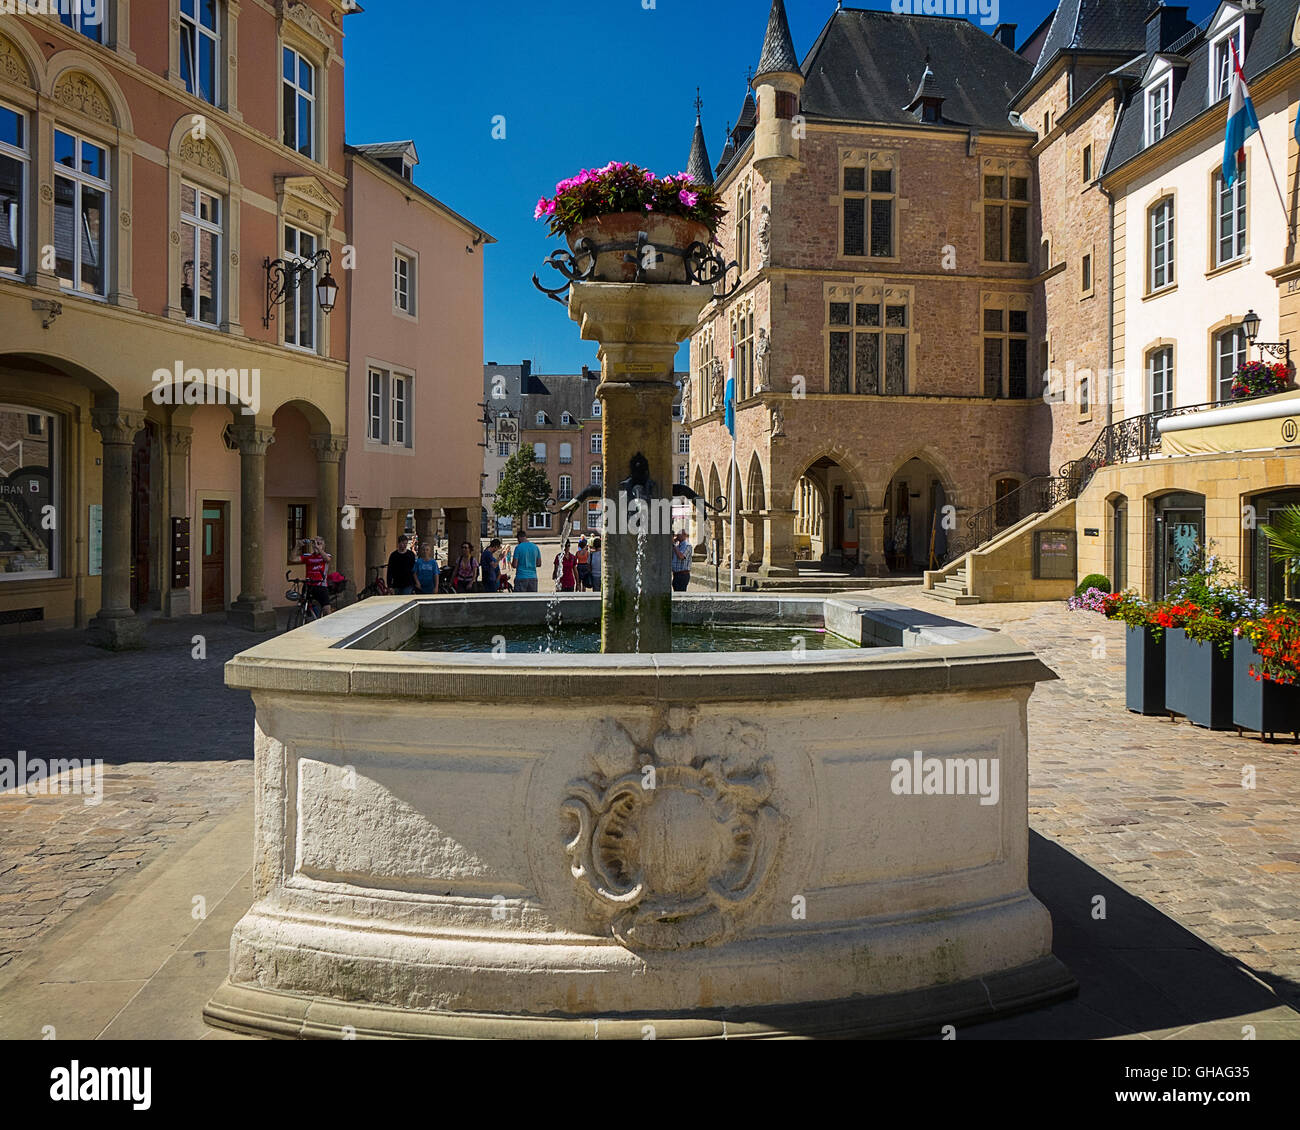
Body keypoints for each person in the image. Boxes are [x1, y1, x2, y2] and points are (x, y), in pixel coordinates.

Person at [296, 536, 333, 613]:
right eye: (315, 543)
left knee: (327, 610)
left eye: (319, 543)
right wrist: (297, 546)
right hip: (308, 585)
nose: (316, 545)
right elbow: (292, 559)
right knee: (303, 606)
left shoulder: (326, 555)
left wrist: (319, 548)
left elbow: (327, 560)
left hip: (321, 585)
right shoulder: (308, 556)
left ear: (323, 546)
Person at [671, 529, 693, 593]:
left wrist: (673, 544)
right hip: (676, 574)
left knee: (681, 593)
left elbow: (681, 556)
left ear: (684, 535)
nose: (677, 536)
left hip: (683, 575)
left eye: (679, 535)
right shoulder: (677, 546)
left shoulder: (687, 546)